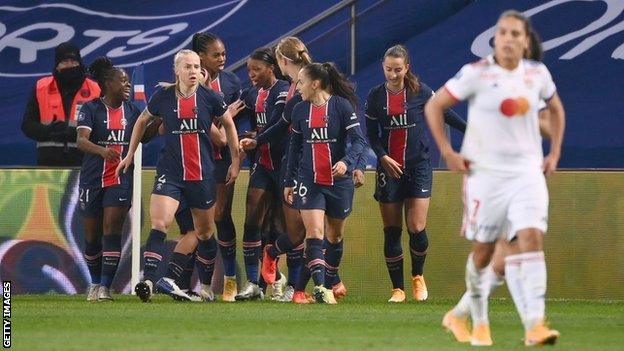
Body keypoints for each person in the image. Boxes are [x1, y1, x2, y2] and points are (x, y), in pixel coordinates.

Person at [425, 10, 565, 346]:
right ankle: (466, 315)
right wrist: (447, 152)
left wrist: (554, 152)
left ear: (526, 41)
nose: (507, 39)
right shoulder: (476, 74)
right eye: (502, 32)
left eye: (515, 34)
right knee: (488, 255)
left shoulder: (538, 75)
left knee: (528, 240)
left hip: (526, 175)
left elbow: (554, 112)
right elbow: (435, 105)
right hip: (485, 178)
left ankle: (534, 325)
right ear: (495, 38)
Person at [116, 49, 242, 302]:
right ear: (177, 71)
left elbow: (228, 124)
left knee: (204, 233)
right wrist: (129, 154)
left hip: (202, 176)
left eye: (197, 66)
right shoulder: (162, 97)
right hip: (170, 174)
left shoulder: (210, 97)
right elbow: (141, 121)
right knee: (160, 224)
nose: (194, 71)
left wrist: (235, 161)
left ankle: (197, 283)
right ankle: (149, 281)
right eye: (188, 67)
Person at [365, 45, 466, 303]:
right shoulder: (375, 97)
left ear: (407, 67)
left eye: (398, 69)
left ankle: (418, 277)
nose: (393, 74)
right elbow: (372, 136)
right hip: (389, 168)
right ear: (382, 67)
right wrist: (382, 156)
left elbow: (445, 112)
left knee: (417, 226)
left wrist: (472, 131)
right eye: (388, 69)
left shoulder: (421, 92)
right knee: (391, 230)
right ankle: (397, 289)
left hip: (418, 166)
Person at [161, 32, 243, 302]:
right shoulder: (182, 86)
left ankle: (229, 280)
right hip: (190, 162)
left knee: (220, 217)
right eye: (216, 54)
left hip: (218, 164)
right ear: (200, 56)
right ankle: (201, 284)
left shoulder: (231, 82)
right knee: (195, 227)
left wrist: (234, 156)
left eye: (223, 53)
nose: (222, 59)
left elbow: (231, 128)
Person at [284, 62, 366, 304]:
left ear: (315, 83)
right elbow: (294, 149)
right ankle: (317, 287)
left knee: (335, 237)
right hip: (309, 180)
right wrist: (289, 181)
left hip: (338, 182)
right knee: (315, 234)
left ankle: (320, 285)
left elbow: (359, 141)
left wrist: (347, 162)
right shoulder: (299, 110)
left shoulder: (341, 106)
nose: (297, 87)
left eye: (301, 82)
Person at [76, 57, 140, 301]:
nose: (127, 85)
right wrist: (102, 151)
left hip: (120, 177)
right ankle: (93, 282)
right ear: (107, 83)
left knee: (112, 231)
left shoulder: (133, 111)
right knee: (92, 237)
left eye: (128, 81)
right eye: (122, 81)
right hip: (93, 178)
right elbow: (81, 141)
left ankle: (105, 287)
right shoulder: (90, 109)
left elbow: (152, 130)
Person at [235, 48, 290, 301]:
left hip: (283, 163)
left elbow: (280, 125)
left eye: (256, 69)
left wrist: (256, 137)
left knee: (278, 227)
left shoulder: (284, 90)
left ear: (271, 68)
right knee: (252, 221)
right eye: (248, 70)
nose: (251, 74)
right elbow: (229, 114)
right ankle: (253, 283)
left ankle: (282, 283)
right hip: (260, 163)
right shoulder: (250, 94)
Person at [22, 42, 101, 166]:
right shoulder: (41, 87)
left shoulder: (95, 89)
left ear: (80, 63)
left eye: (73, 61)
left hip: (86, 163)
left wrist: (77, 133)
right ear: (57, 65)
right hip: (49, 164)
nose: (69, 65)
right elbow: (27, 125)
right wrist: (49, 131)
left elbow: (104, 127)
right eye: (64, 61)